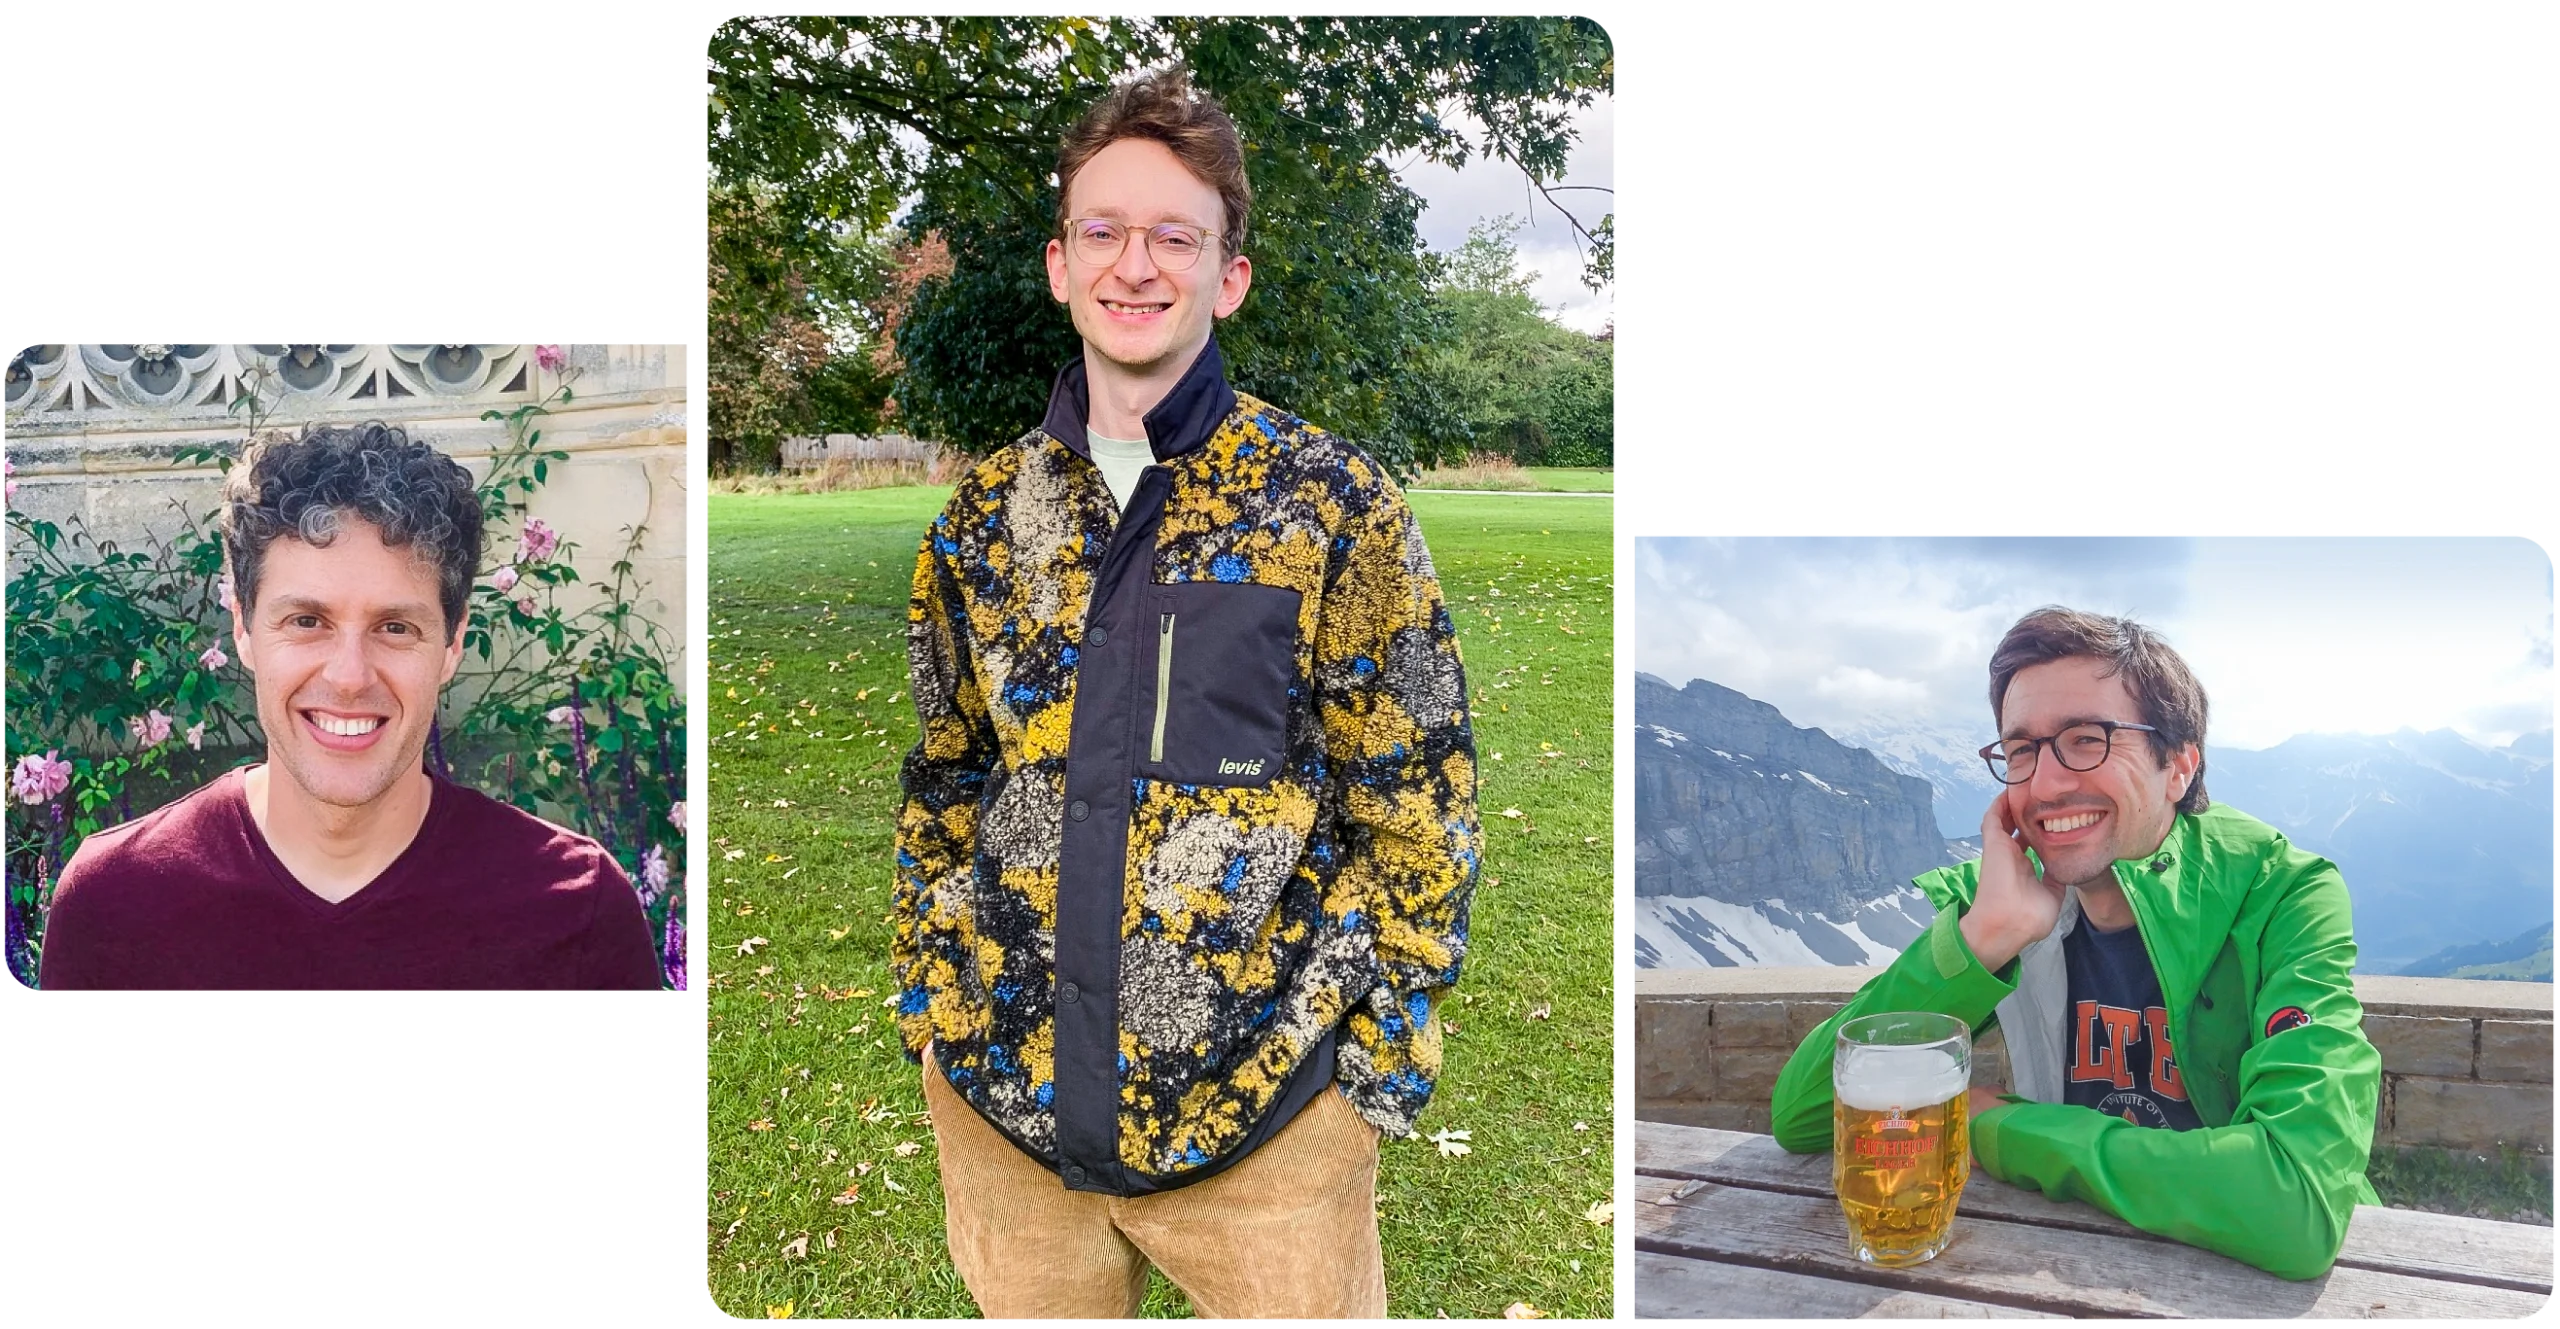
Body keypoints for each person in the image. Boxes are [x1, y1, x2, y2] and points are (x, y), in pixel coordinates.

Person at [893, 66, 1480, 1317]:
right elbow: (946, 771)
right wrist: (932, 1002)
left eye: (1176, 235)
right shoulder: (981, 521)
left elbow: (1420, 797)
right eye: (1102, 231)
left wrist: (1374, 1057)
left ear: (1228, 276)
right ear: (1060, 264)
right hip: (1008, 1114)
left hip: (1267, 1126)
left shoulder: (1328, 505)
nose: (1135, 264)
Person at [1771, 605, 2382, 1280]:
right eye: (2023, 749)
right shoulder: (2003, 893)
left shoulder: (2282, 891)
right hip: (2064, 1258)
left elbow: (2292, 1207)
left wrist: (1997, 1127)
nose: (2049, 781)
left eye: (2088, 738)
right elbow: (1802, 1116)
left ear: (2178, 766)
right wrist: (1986, 935)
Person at [37, 422, 660, 992]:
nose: (349, 676)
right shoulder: (115, 901)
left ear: (451, 646)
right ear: (244, 630)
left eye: (395, 627)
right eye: (306, 620)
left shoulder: (577, 909)